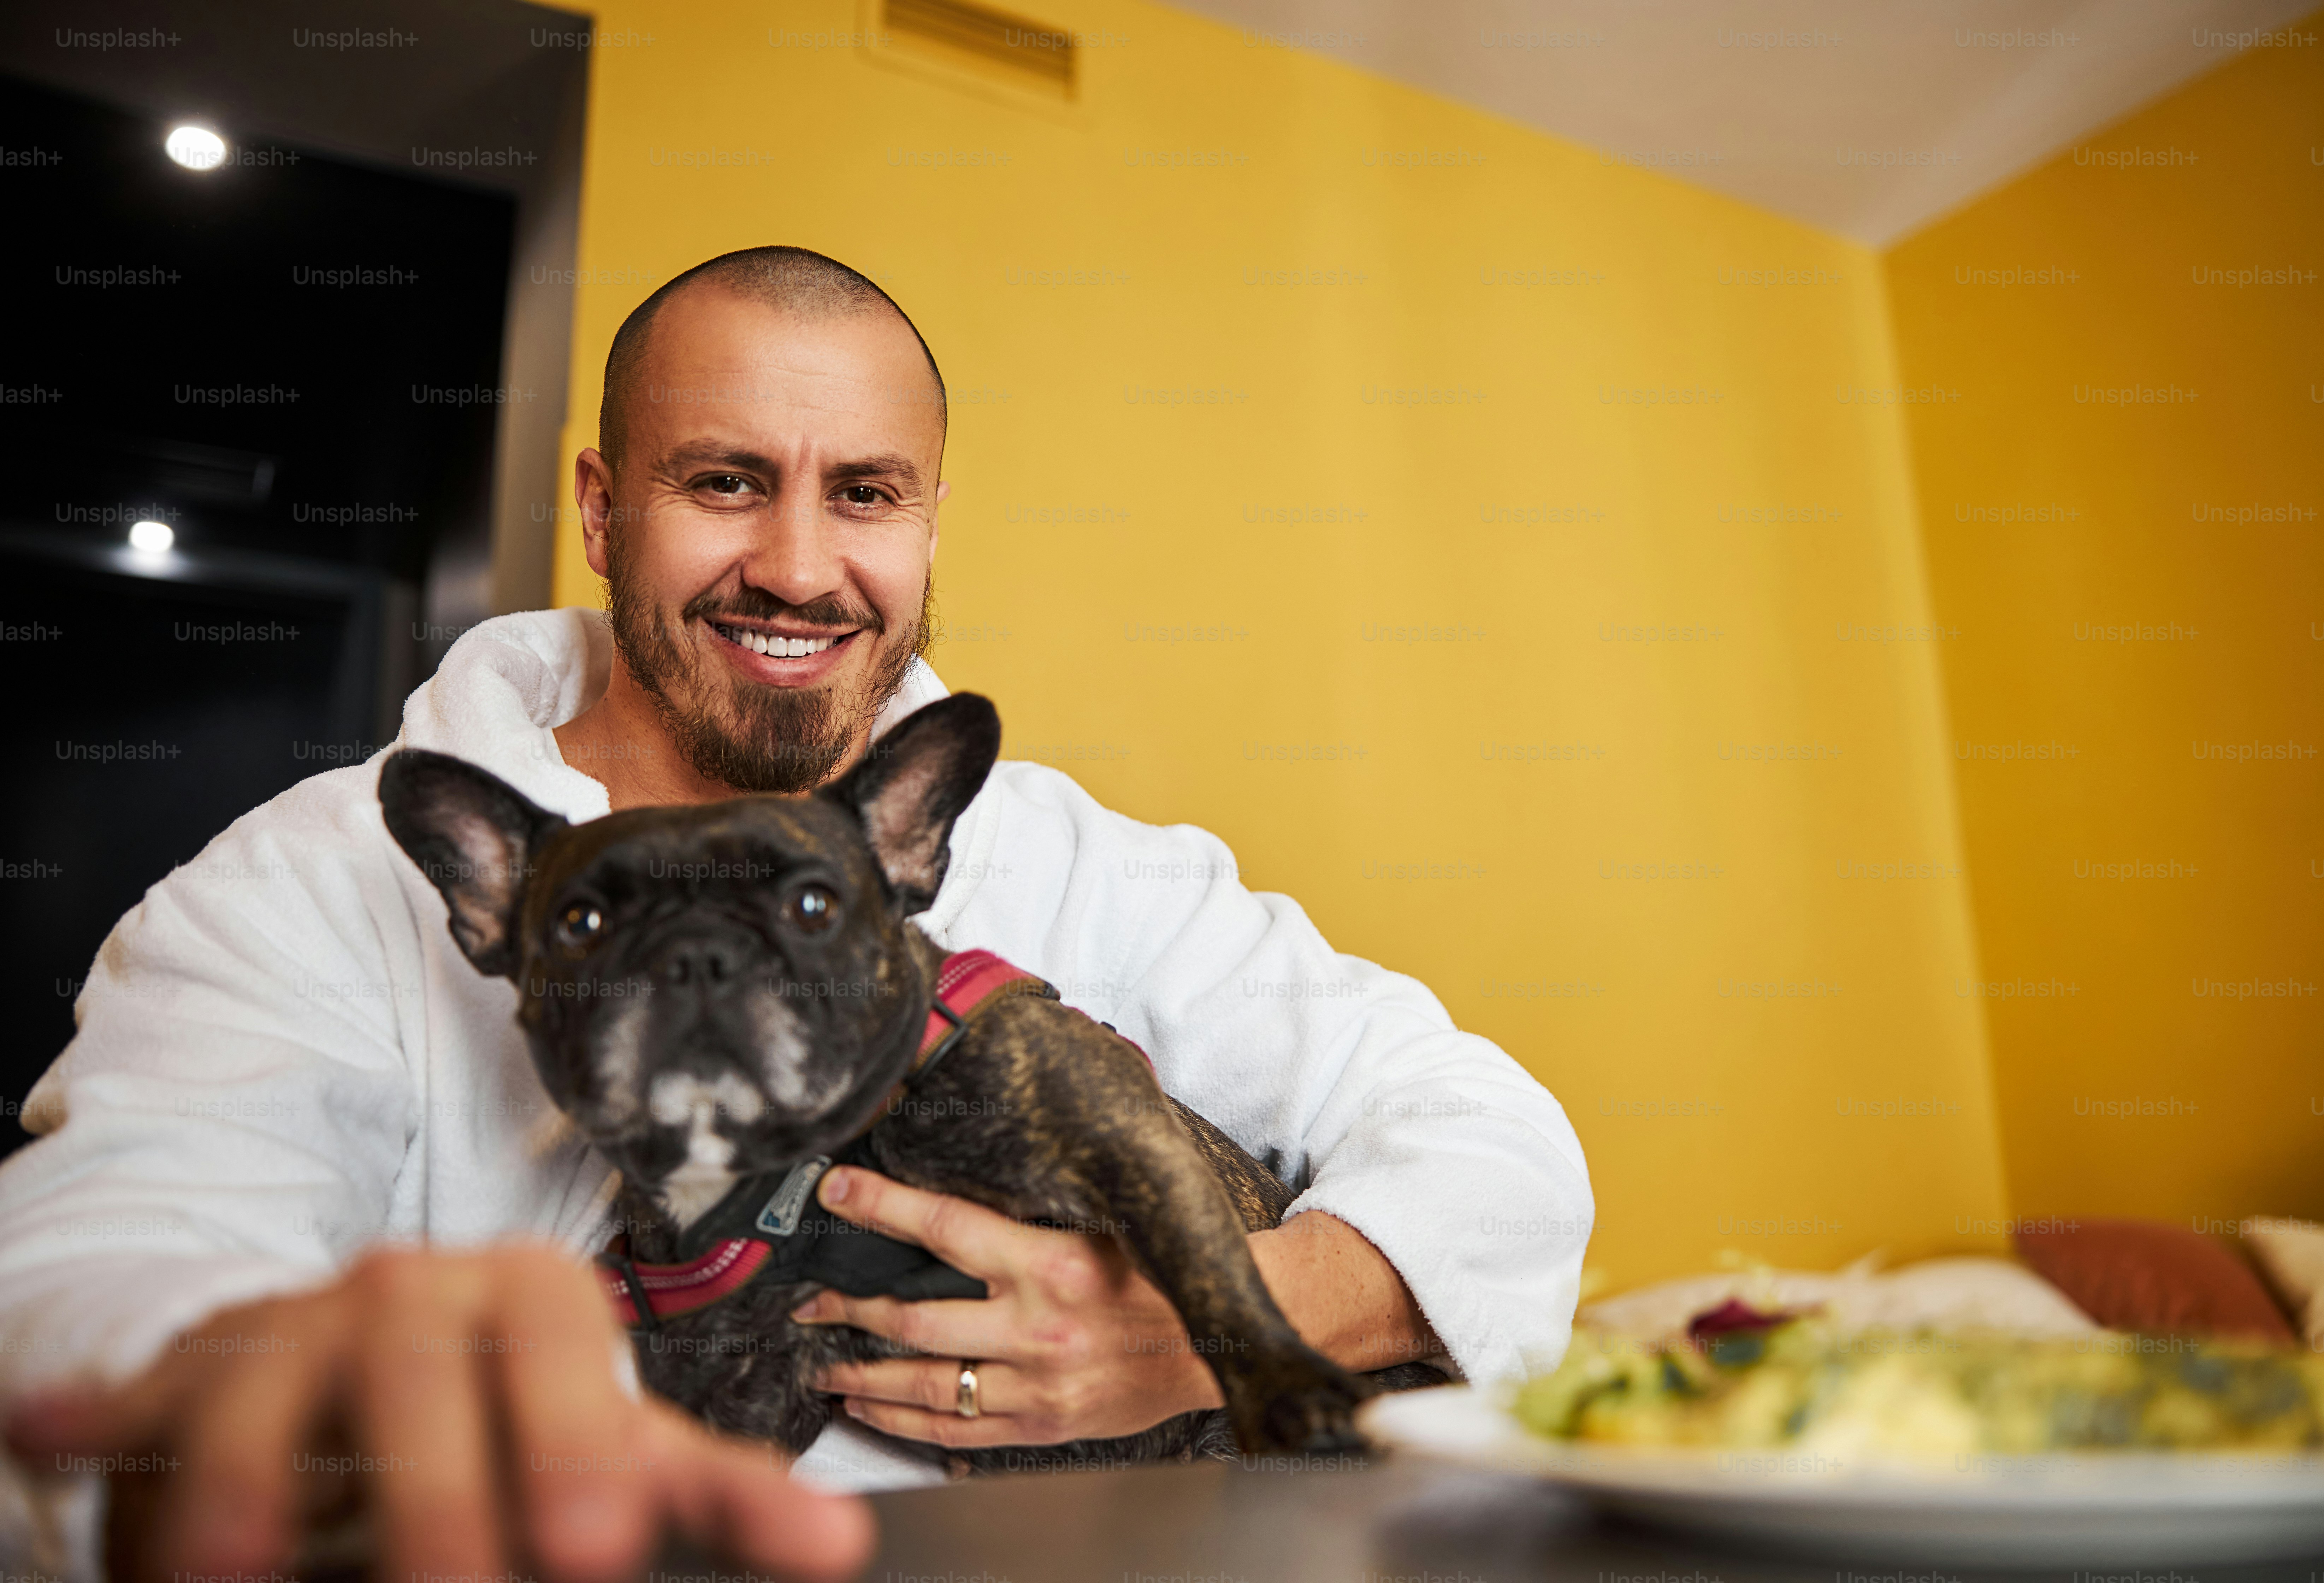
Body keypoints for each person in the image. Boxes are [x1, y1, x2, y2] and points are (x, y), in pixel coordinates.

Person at [0, 247, 1594, 1580]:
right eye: (726, 481)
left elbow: (1490, 1135)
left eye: (868, 495)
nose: (801, 565)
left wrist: (1208, 1321)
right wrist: (281, 1389)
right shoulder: (315, 875)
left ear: (928, 526)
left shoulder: (1088, 857)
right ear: (602, 508)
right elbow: (101, 1261)